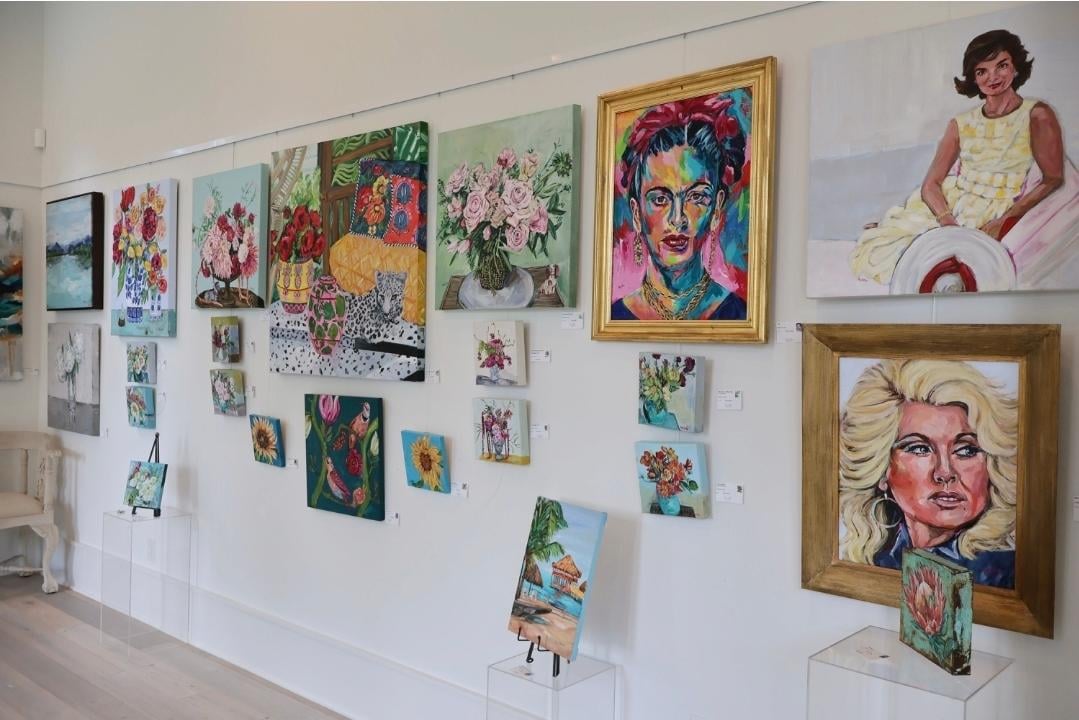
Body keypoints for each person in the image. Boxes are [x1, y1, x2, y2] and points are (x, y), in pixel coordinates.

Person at [850, 29, 1065, 285]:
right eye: (981, 71)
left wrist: (1005, 219)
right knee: (881, 251)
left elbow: (1053, 177)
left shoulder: (1036, 114)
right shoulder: (960, 123)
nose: (992, 77)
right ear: (973, 78)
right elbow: (931, 184)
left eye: (1001, 65)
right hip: (949, 205)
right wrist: (947, 222)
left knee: (936, 259)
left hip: (994, 207)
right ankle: (888, 229)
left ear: (1016, 67)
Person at [839, 359, 1017, 588]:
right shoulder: (872, 561)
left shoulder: (1005, 574)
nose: (945, 472)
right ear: (882, 469)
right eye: (920, 449)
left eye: (966, 450)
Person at [612, 95, 748, 320]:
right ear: (636, 213)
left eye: (696, 197)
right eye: (660, 199)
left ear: (716, 208)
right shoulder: (615, 317)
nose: (677, 219)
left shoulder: (739, 315)